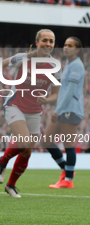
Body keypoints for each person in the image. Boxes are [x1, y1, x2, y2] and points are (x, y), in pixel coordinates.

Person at [0, 29, 61, 198]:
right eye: (45, 40)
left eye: (51, 41)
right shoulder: (23, 58)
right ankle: (2, 162)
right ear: (37, 42)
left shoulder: (55, 66)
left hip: (35, 110)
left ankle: (11, 186)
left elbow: (55, 93)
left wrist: (47, 100)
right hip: (15, 104)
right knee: (23, 141)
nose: (48, 44)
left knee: (27, 152)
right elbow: (1, 64)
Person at [44, 37, 85, 189]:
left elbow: (70, 92)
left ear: (77, 49)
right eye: (65, 45)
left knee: (69, 145)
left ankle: (68, 179)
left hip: (71, 109)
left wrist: (57, 110)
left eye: (70, 45)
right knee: (46, 140)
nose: (66, 47)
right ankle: (65, 170)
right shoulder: (69, 64)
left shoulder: (77, 66)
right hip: (64, 109)